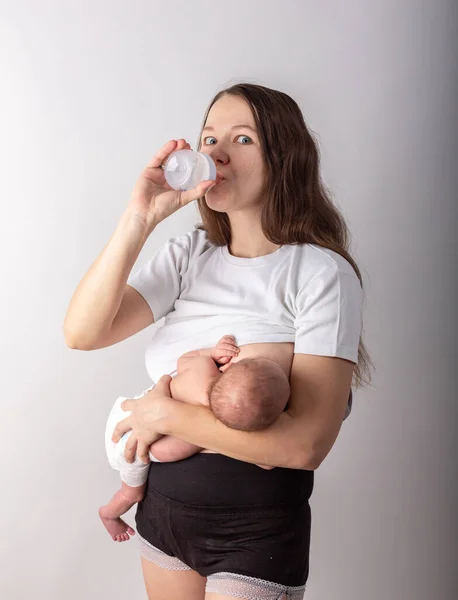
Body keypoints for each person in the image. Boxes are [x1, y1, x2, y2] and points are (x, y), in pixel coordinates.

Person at [64, 83, 372, 600]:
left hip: (256, 531)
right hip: (163, 519)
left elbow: (305, 445)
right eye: (209, 138)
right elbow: (83, 332)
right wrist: (140, 218)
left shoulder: (320, 273)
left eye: (243, 139)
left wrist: (164, 416)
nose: (216, 152)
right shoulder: (194, 253)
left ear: (285, 157)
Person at [101, 334, 291, 541]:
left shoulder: (202, 370)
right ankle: (109, 514)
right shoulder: (194, 436)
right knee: (132, 494)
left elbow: (185, 359)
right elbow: (156, 451)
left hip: (129, 407)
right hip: (130, 441)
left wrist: (213, 353)